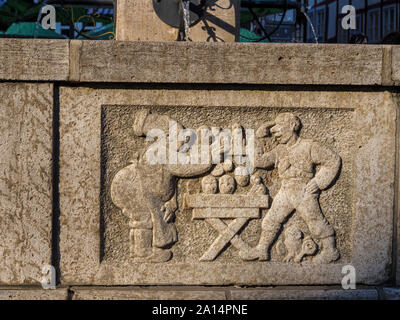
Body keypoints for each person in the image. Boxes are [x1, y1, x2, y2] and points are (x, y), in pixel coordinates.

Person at [111, 110, 217, 263]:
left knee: (142, 220)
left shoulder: (157, 149)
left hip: (135, 188)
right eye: (180, 138)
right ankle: (143, 253)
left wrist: (171, 202)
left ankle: (138, 251)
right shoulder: (161, 152)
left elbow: (169, 179)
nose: (184, 142)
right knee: (144, 219)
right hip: (134, 189)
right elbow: (187, 166)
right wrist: (210, 156)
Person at [239, 113, 342, 264]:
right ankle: (262, 250)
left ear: (293, 126)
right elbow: (260, 161)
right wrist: (257, 138)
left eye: (280, 128)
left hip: (303, 191)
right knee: (270, 220)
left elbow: (333, 160)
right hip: (286, 190)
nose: (276, 133)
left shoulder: (309, 146)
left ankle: (330, 251)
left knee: (315, 221)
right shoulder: (279, 150)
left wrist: (318, 182)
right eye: (275, 129)